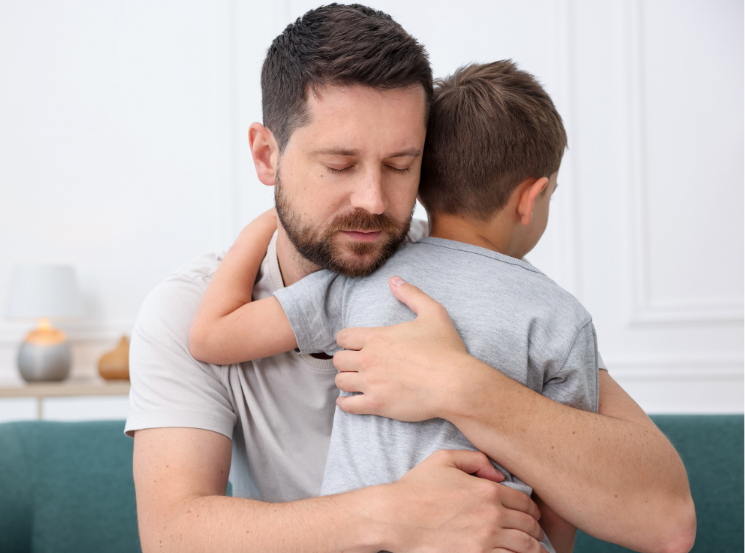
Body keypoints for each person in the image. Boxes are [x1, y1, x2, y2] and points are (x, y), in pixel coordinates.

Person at [126, 5, 695, 553]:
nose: (373, 201)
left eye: (401, 165)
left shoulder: (464, 276)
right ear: (266, 155)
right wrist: (397, 516)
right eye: (340, 165)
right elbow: (172, 534)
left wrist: (459, 383)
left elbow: (666, 521)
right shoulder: (186, 309)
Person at [189, 60, 591, 553]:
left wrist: (266, 222)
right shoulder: (561, 318)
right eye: (338, 166)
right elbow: (564, 488)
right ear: (532, 198)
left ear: (420, 178)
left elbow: (212, 336)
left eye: (397, 167)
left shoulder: (370, 280)